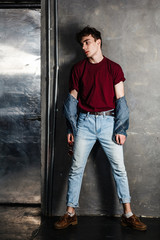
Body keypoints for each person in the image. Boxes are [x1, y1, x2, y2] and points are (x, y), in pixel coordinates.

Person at [54, 26, 147, 231]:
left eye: (87, 42)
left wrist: (121, 129)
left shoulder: (114, 68)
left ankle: (128, 214)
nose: (84, 47)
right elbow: (71, 101)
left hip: (109, 123)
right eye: (82, 44)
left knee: (119, 169)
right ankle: (70, 213)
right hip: (84, 123)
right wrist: (71, 128)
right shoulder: (78, 68)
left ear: (98, 42)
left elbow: (121, 100)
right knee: (76, 169)